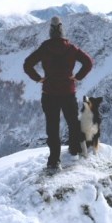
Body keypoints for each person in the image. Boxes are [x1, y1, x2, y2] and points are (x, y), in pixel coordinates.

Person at [23, 16, 94, 170]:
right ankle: (74, 150)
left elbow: (27, 64)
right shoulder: (71, 49)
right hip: (68, 92)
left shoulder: (44, 48)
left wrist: (39, 78)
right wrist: (77, 77)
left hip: (49, 93)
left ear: (50, 32)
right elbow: (88, 62)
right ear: (62, 31)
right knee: (73, 123)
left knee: (52, 127)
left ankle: (54, 160)